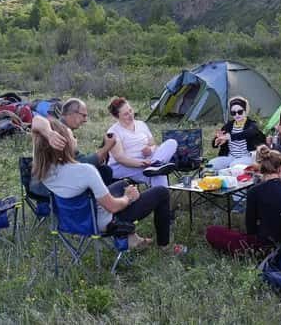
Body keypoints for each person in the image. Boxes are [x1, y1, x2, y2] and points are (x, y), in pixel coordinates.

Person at [33, 119, 185, 254]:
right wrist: (128, 198)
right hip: (101, 223)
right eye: (72, 136)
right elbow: (113, 207)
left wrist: (48, 133)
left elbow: (36, 121)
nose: (75, 138)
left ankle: (133, 239)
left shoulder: (44, 168)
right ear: (63, 143)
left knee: (123, 184)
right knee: (161, 192)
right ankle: (164, 246)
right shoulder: (85, 171)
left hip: (72, 221)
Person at [205, 145, 281, 255]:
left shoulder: (254, 191)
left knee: (212, 231)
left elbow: (251, 227)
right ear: (280, 169)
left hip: (264, 245)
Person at [31, 98, 115, 183]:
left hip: (47, 181)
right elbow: (82, 164)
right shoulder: (59, 130)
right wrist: (106, 148)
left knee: (102, 170)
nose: (85, 120)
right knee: (105, 171)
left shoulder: (62, 129)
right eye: (83, 115)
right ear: (72, 113)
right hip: (49, 187)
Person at [106, 97, 177, 188]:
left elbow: (153, 145)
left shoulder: (141, 124)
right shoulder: (114, 132)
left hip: (148, 161)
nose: (131, 115)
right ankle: (155, 168)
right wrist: (141, 163)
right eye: (126, 114)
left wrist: (150, 149)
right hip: (126, 167)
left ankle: (155, 165)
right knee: (158, 174)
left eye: (130, 110)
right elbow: (120, 159)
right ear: (117, 116)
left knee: (171, 142)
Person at [208, 97, 266, 170]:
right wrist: (216, 142)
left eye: (240, 112)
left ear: (245, 111)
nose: (237, 115)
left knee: (234, 166)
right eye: (233, 113)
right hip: (230, 157)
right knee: (211, 164)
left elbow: (248, 133)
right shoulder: (228, 126)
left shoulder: (251, 125)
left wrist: (229, 137)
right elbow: (217, 141)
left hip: (247, 157)